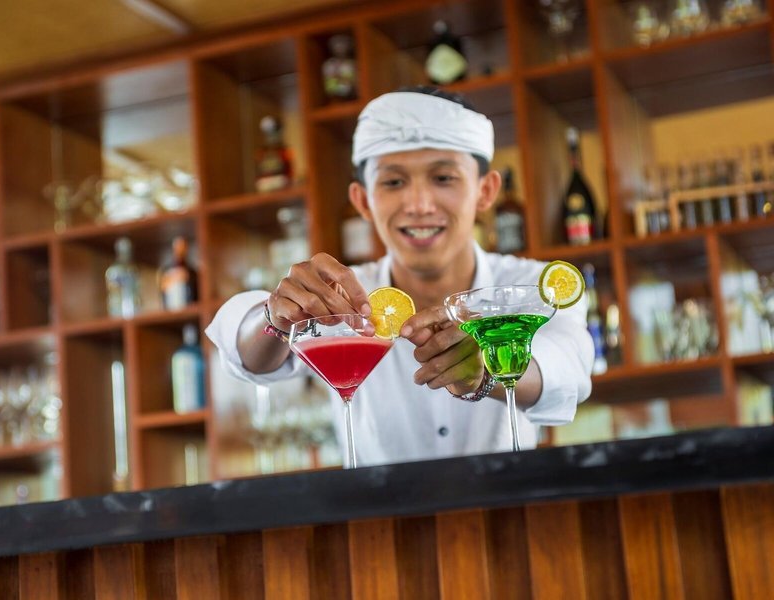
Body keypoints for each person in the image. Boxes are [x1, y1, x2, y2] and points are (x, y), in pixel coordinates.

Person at [206, 86, 594, 467]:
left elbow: (569, 369)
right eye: (393, 182)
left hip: (508, 505)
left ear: (486, 191)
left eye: (443, 178)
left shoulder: (532, 286)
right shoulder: (337, 298)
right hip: (378, 510)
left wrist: (489, 369)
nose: (419, 205)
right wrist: (274, 315)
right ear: (362, 201)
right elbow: (243, 354)